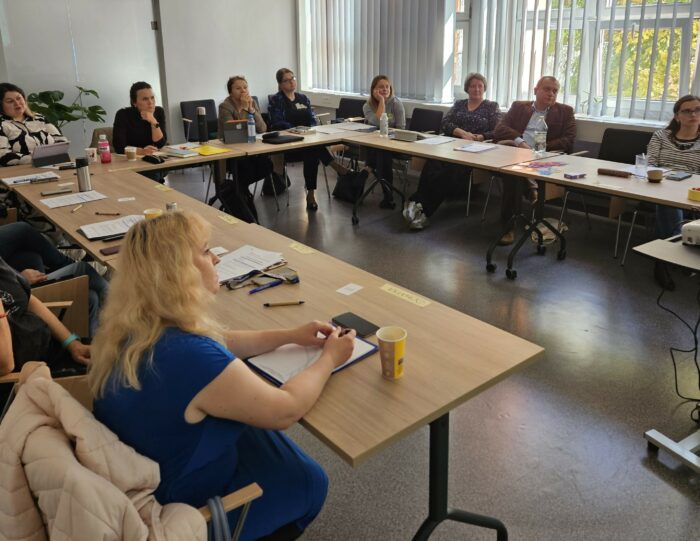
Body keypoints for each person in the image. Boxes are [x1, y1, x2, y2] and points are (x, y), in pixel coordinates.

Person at [89, 211, 356, 541]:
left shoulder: (133, 328)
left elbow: (217, 341)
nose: (215, 258)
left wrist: (289, 335)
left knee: (265, 440)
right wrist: (330, 357)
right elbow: (286, 409)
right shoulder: (191, 357)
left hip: (153, 465)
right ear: (178, 272)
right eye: (204, 251)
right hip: (185, 501)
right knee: (311, 483)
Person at [403, 73, 500, 230]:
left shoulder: (491, 106)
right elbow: (445, 123)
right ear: (467, 88)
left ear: (484, 88)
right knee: (432, 162)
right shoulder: (459, 104)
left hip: (475, 150)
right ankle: (418, 206)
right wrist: (462, 133)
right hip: (452, 145)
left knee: (446, 170)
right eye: (473, 86)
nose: (476, 89)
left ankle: (421, 208)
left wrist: (480, 137)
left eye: (480, 86)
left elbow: (497, 131)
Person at [493, 75, 576, 245]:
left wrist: (541, 148)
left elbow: (568, 139)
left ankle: (508, 227)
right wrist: (520, 141)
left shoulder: (565, 111)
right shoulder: (518, 107)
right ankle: (530, 189)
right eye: (547, 89)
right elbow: (500, 128)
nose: (551, 94)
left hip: (544, 158)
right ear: (535, 90)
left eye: (555, 91)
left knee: (512, 175)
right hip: (516, 153)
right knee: (512, 170)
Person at [0, 221, 108, 335]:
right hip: (13, 295)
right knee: (83, 272)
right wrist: (20, 278)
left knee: (31, 256)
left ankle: (92, 342)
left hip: (15, 289)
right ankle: (118, 310)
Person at [268, 68, 350, 211]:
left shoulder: (303, 98)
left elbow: (312, 119)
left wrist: (309, 129)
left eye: (292, 78)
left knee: (312, 152)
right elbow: (276, 122)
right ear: (280, 84)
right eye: (286, 80)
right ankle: (334, 166)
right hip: (288, 145)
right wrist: (295, 129)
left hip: (307, 142)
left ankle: (311, 194)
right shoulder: (277, 100)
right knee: (313, 149)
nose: (291, 82)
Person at [0, 256, 90, 378]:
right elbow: (6, 365)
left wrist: (73, 344)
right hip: (25, 376)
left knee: (114, 356)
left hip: (49, 349)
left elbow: (28, 300)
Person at [648, 94, 700, 290]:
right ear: (677, 115)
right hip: (661, 187)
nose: (693, 114)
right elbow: (650, 165)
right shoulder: (661, 136)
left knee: (673, 206)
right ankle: (668, 259)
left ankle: (670, 255)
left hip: (694, 192)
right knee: (668, 204)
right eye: (687, 110)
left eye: (697, 110)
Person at [217, 75, 276, 223]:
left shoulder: (253, 102)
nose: (243, 91)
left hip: (251, 150)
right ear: (230, 92)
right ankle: (241, 195)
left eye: (245, 87)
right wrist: (244, 109)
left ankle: (240, 190)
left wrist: (252, 111)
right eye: (238, 88)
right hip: (231, 152)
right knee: (244, 168)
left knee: (267, 164)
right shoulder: (225, 106)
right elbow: (233, 132)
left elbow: (262, 128)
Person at [362, 75, 406, 209]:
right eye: (381, 87)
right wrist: (381, 101)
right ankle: (388, 194)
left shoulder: (396, 104)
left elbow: (401, 128)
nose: (385, 89)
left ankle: (368, 171)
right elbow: (376, 121)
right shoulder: (367, 105)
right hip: (373, 143)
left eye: (387, 86)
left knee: (382, 154)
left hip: (393, 143)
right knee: (380, 153)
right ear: (373, 89)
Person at [0, 82, 68, 167]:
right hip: (20, 171)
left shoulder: (40, 118)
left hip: (53, 165)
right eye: (10, 101)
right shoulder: (2, 125)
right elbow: (2, 154)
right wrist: (32, 159)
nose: (17, 103)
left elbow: (60, 140)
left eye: (19, 98)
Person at [113, 82, 167, 183]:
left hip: (153, 160)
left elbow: (160, 143)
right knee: (151, 174)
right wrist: (141, 151)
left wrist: (153, 121)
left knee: (154, 172)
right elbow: (119, 147)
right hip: (131, 162)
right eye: (145, 99)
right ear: (134, 102)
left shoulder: (159, 111)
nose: (150, 102)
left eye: (152, 97)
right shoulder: (123, 115)